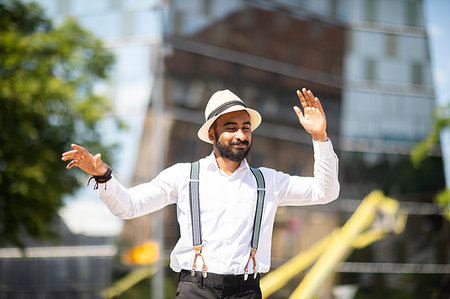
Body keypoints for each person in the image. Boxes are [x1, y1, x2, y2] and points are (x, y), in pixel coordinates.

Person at [61, 88, 339, 298]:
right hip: (197, 290)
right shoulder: (184, 175)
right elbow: (129, 206)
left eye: (246, 128)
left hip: (247, 291)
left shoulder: (268, 182)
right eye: (231, 128)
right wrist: (103, 176)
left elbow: (325, 192)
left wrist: (319, 137)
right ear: (211, 135)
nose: (241, 135)